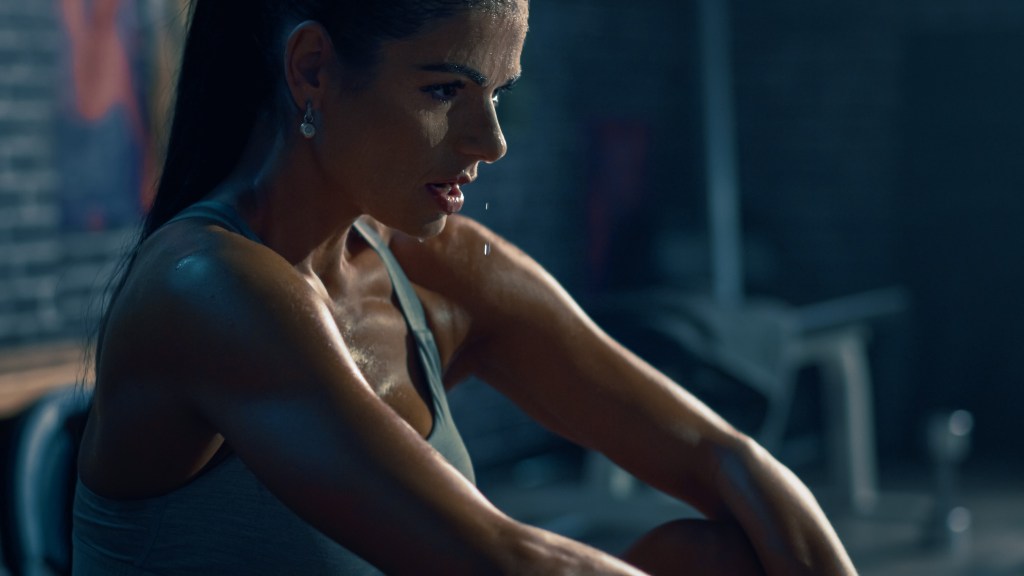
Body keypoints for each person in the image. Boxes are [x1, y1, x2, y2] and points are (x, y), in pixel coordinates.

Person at [72, 0, 857, 574]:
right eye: (445, 91)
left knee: (728, 558)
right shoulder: (204, 288)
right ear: (312, 69)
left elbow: (725, 458)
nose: (492, 141)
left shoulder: (434, 272)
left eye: (498, 91)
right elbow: (500, 563)